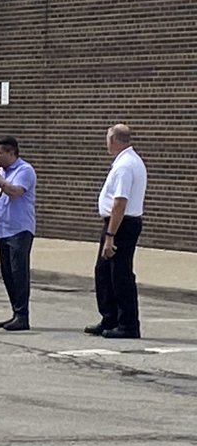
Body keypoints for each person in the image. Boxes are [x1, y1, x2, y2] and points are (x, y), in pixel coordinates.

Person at [84, 124, 147, 339]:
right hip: (118, 224)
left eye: (107, 139)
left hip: (121, 225)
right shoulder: (126, 162)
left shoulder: (125, 166)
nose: (106, 143)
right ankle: (109, 318)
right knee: (104, 272)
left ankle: (128, 325)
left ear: (114, 140)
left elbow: (120, 203)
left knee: (120, 275)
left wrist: (110, 236)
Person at [0, 136, 36, 331]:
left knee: (18, 273)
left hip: (20, 229)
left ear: (11, 153)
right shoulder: (2, 172)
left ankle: (23, 315)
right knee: (7, 274)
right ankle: (15, 313)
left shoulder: (24, 171)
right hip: (2, 229)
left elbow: (15, 192)